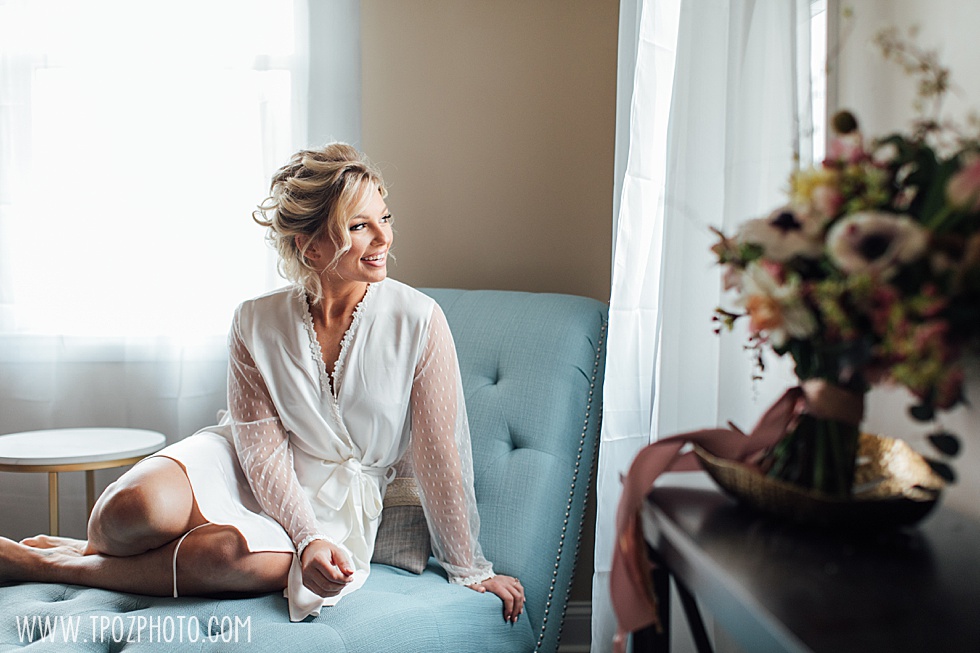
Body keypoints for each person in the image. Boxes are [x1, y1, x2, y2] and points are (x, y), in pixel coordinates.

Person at [0, 143, 525, 624]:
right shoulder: (253, 321)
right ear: (311, 247)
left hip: (334, 508)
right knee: (127, 513)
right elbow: (261, 452)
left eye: (384, 218)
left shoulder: (420, 321)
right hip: (247, 465)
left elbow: (440, 454)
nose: (385, 237)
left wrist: (468, 567)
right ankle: (78, 547)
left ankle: (48, 563)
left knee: (225, 554)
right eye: (360, 226)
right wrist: (306, 536)